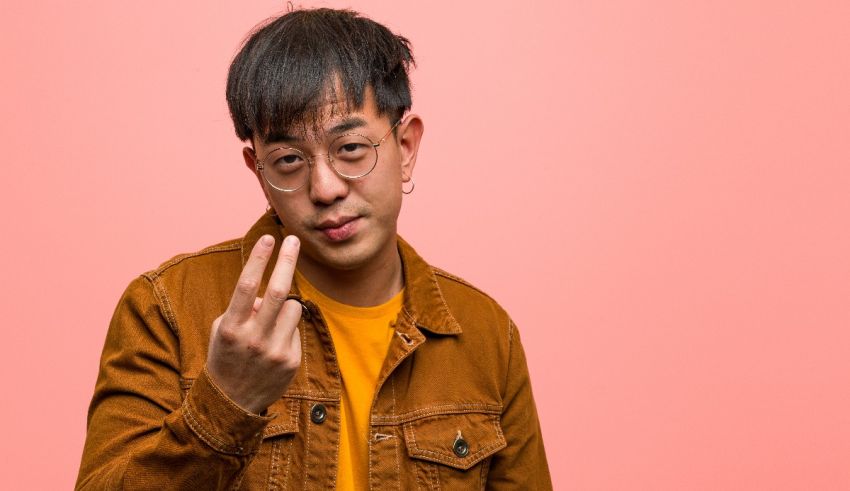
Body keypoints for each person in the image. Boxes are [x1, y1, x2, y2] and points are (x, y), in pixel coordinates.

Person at [76, 7, 551, 490]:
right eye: (288, 160)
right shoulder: (167, 310)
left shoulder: (486, 335)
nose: (325, 189)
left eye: (350, 149)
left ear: (405, 148)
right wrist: (226, 402)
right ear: (257, 173)